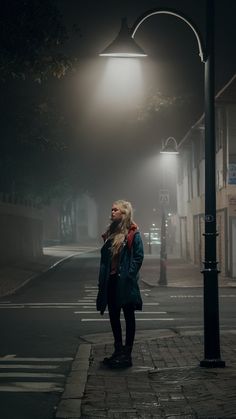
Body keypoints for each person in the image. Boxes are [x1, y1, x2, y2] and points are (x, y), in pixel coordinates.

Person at [96, 200, 144, 368]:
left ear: (124, 213)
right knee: (114, 316)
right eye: (111, 209)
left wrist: (128, 275)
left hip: (125, 281)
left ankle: (127, 354)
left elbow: (138, 257)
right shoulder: (110, 232)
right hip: (111, 281)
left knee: (129, 317)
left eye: (116, 210)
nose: (112, 212)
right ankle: (118, 351)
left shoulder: (133, 233)